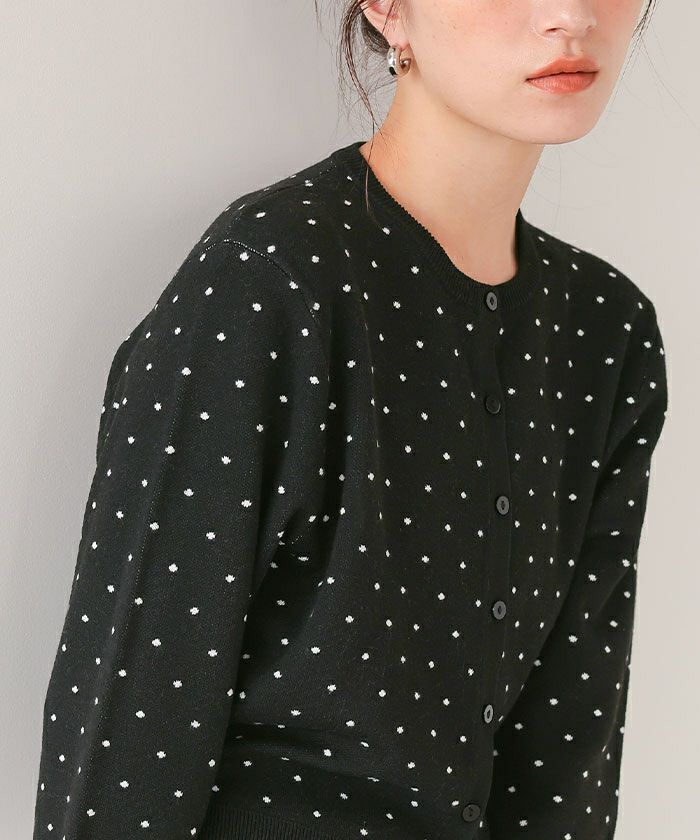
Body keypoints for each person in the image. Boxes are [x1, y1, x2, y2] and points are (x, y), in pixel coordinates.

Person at [33, 2, 668, 839]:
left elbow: (566, 757)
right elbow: (135, 722)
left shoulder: (605, 330)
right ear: (388, 8)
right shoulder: (269, 283)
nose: (570, 15)